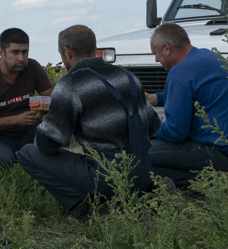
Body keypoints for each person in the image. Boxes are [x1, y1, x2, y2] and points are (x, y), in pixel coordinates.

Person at [17, 25, 161, 216]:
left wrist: (48, 119)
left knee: (27, 153)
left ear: (67, 52)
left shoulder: (70, 84)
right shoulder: (128, 77)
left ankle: (85, 205)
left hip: (108, 177)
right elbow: (153, 127)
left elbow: (46, 145)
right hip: (144, 172)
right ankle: (140, 194)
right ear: (94, 48)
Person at [146, 23, 228, 189]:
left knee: (138, 154)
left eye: (156, 54)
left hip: (221, 154)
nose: (156, 60)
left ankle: (208, 185)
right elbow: (198, 93)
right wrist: (155, 99)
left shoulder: (179, 72)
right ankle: (217, 183)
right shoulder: (209, 57)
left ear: (167, 48)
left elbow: (176, 132)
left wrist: (149, 130)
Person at [0, 28, 54, 170]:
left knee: (56, 139)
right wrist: (17, 120)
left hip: (26, 131)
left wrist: (41, 111)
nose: (21, 58)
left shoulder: (33, 67)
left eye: (24, 52)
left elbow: (53, 99)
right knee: (2, 160)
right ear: (1, 52)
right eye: (15, 52)